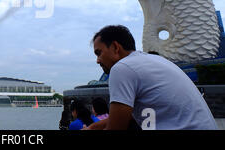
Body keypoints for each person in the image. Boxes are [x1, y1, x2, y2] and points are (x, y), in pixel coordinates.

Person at [86, 25, 217, 130]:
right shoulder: (154, 60)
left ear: (115, 47)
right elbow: (125, 117)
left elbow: (116, 127)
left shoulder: (122, 68)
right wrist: (93, 127)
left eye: (99, 53)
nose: (98, 60)